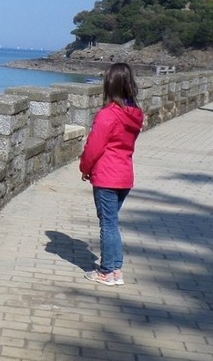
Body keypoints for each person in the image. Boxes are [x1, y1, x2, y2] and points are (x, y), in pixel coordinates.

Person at [79, 63, 144, 286]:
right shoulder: (135, 113)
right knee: (111, 222)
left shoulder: (108, 115)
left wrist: (84, 168)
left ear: (110, 84)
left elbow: (94, 147)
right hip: (124, 174)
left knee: (107, 224)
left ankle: (106, 271)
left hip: (107, 175)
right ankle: (115, 269)